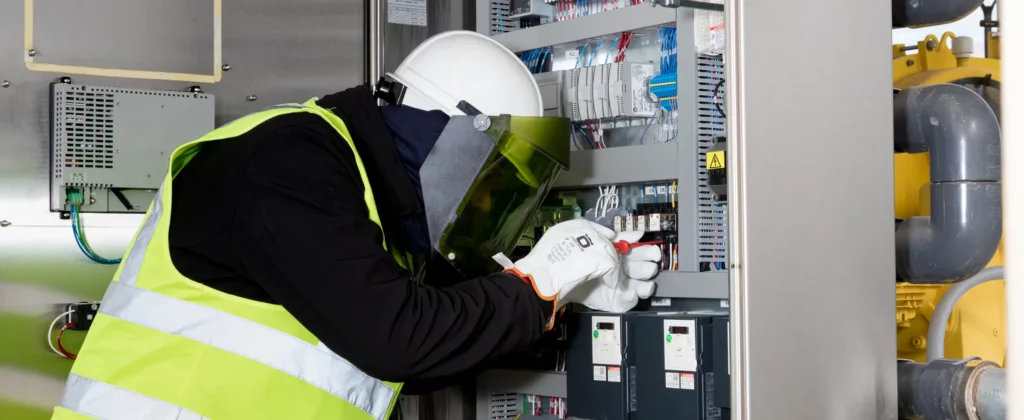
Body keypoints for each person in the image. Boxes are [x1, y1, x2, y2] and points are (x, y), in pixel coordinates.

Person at [50, 31, 660, 420]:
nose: (481, 207)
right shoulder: (286, 160)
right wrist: (538, 285)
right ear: (445, 134)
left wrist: (564, 296)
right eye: (488, 180)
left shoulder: (368, 205)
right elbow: (400, 341)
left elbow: (419, 356)